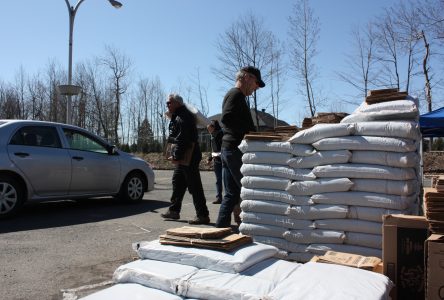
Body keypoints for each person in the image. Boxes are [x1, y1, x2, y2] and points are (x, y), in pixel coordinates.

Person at [215, 66, 265, 228]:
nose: (256, 87)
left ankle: (220, 229)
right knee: (248, 188)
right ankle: (251, 228)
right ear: (246, 77)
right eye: (256, 82)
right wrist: (249, 132)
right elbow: (227, 118)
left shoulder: (236, 96)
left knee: (231, 194)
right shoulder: (236, 95)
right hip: (234, 150)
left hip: (228, 149)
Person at [161, 93, 210, 225]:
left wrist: (176, 156)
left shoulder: (183, 116)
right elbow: (175, 137)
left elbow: (183, 139)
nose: (167, 105)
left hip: (189, 155)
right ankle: (174, 211)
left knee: (194, 186)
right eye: (167, 103)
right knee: (177, 182)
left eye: (169, 102)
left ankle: (203, 215)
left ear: (177, 103)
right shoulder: (178, 116)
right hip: (184, 154)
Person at [206, 120, 223, 204]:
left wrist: (219, 154)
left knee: (227, 180)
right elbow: (212, 149)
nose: (208, 130)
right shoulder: (212, 136)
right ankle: (219, 197)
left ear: (213, 127)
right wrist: (210, 158)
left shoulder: (222, 134)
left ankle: (230, 198)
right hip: (216, 160)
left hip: (224, 160)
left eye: (209, 128)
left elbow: (224, 148)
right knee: (218, 180)